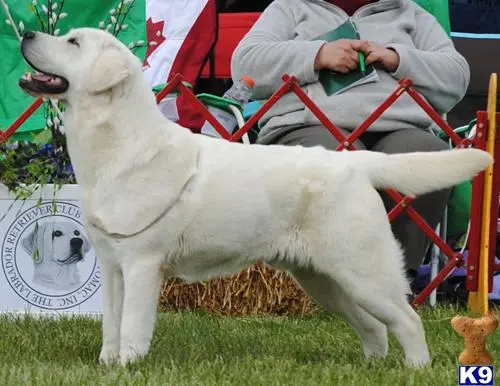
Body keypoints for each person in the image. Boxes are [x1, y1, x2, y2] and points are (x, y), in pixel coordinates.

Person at [231, 0, 470, 285]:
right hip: (308, 125)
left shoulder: (411, 14)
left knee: (426, 158)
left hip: (401, 125)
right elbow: (245, 64)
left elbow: (457, 76)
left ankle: (394, 282)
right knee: (333, 165)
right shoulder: (289, 8)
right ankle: (330, 281)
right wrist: (317, 55)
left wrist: (397, 58)